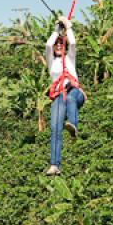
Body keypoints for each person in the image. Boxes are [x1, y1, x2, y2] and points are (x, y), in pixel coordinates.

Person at [45, 14, 85, 176]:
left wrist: (68, 27)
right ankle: (54, 165)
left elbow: (73, 43)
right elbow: (48, 44)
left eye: (62, 44)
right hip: (58, 96)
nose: (59, 46)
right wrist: (57, 30)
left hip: (75, 94)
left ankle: (73, 124)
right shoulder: (52, 62)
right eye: (57, 45)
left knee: (69, 98)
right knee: (55, 128)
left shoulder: (70, 58)